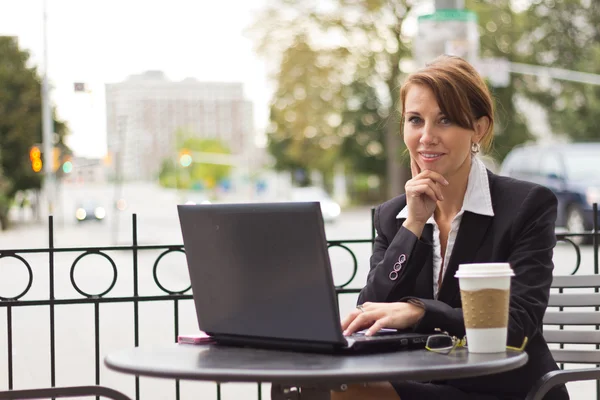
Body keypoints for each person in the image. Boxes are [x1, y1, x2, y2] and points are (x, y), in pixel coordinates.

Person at [333, 55, 569, 400]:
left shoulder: (526, 206)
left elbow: (516, 325)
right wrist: (412, 225)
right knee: (321, 389)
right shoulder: (393, 216)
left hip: (508, 388)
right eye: (415, 120)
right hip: (427, 384)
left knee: (348, 392)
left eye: (444, 120)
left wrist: (420, 312)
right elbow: (370, 312)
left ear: (479, 128)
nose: (427, 137)